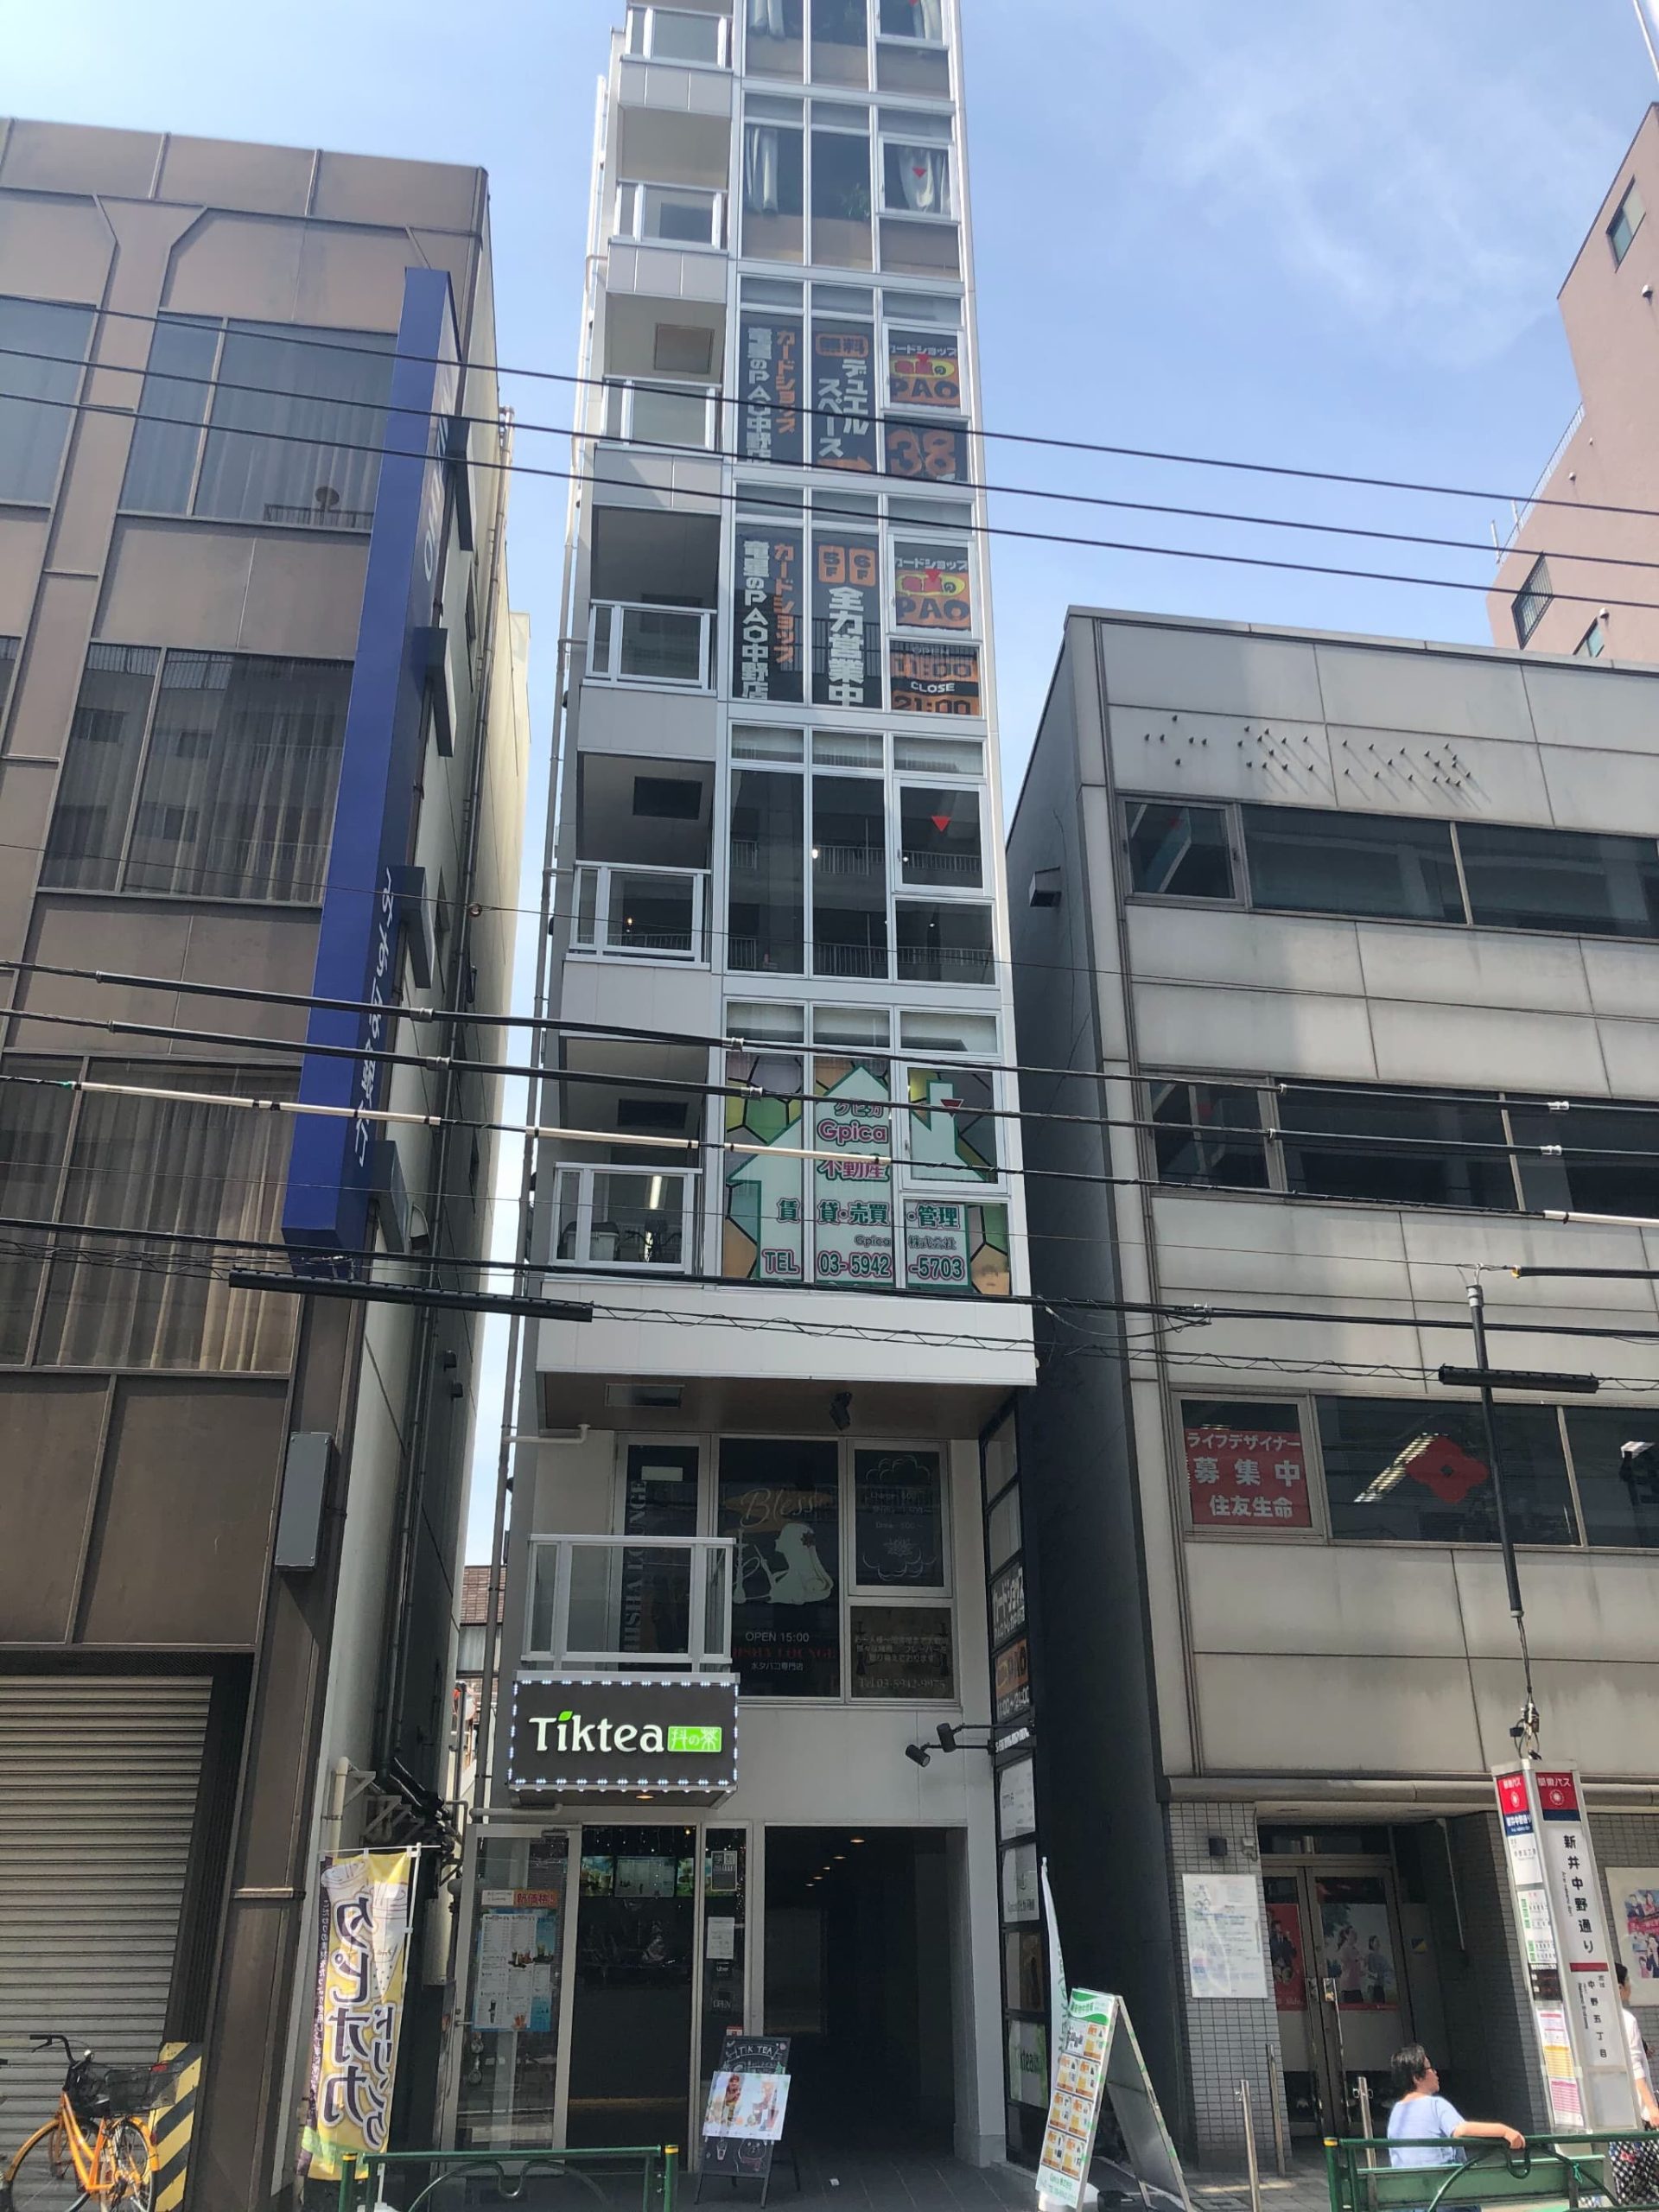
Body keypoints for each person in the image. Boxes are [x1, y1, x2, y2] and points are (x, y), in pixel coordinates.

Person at [1387, 2045, 1525, 2169]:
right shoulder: (1435, 2105)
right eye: (1430, 2068)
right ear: (1417, 2077)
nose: (1435, 2072)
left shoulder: (1397, 2111)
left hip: (1406, 2182)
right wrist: (1504, 2131)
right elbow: (1461, 2130)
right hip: (1444, 2182)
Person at [1617, 1964, 1659, 2128]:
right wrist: (1652, 2107)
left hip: (1615, 2109)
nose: (1630, 1985)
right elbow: (1635, 2066)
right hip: (1636, 2112)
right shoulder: (1626, 2020)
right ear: (1619, 1987)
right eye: (1627, 1980)